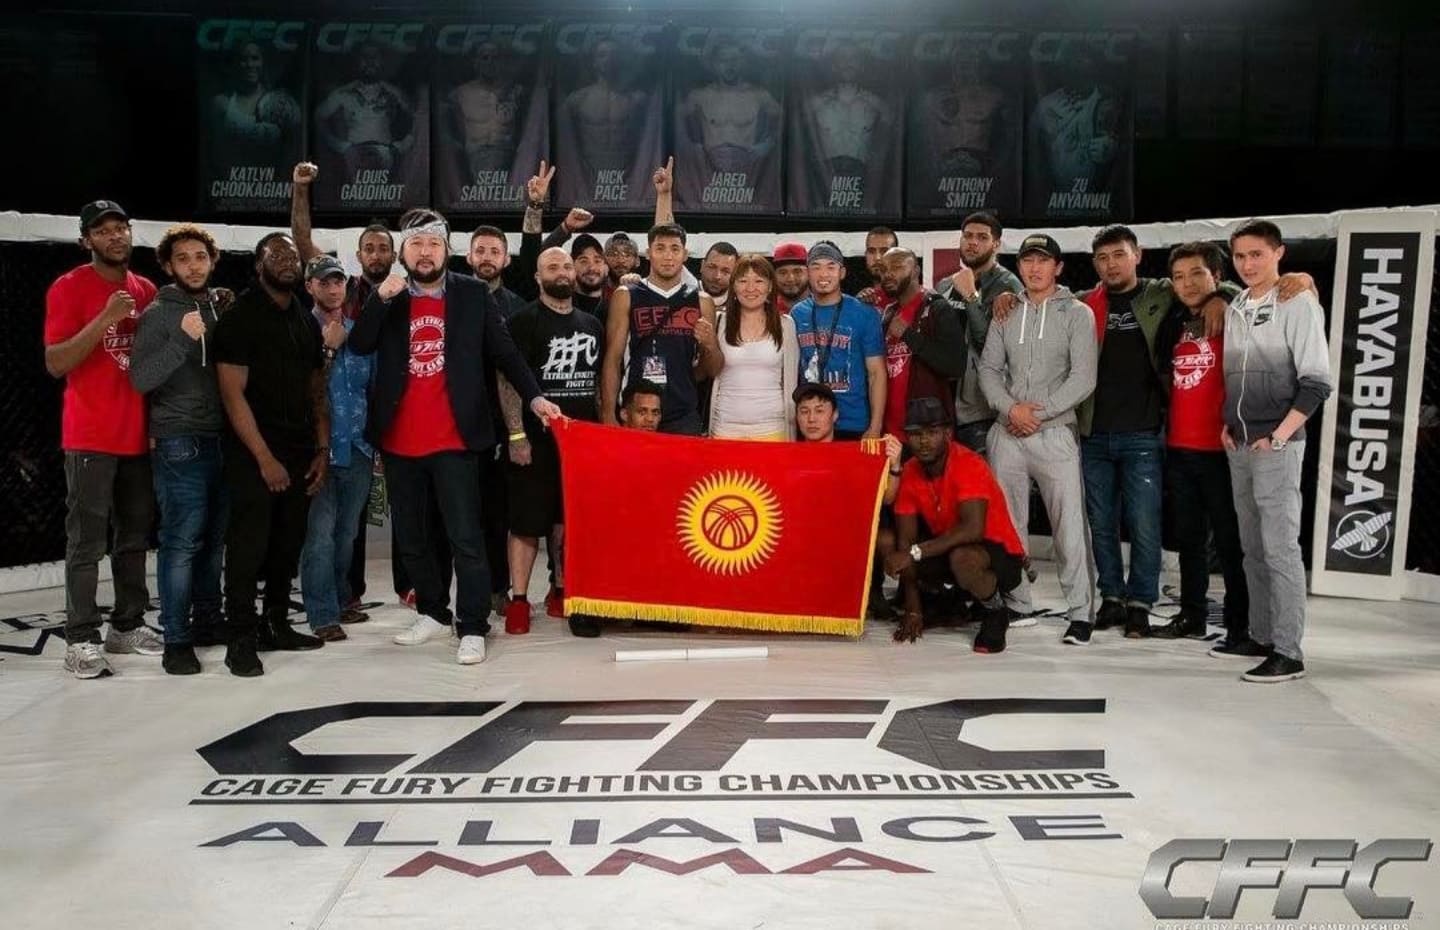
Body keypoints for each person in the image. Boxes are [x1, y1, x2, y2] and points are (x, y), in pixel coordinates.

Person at [349, 208, 562, 666]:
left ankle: (472, 625)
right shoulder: (389, 295)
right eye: (416, 244)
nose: (425, 253)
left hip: (456, 440)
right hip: (400, 441)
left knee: (466, 537)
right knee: (413, 539)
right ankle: (432, 611)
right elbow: (360, 344)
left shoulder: (471, 293)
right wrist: (379, 300)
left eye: (433, 244)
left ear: (448, 250)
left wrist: (535, 398)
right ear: (403, 252)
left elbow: (505, 353)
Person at [44, 200, 161, 679]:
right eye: (103, 230)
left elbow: (153, 364)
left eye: (121, 228)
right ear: (85, 240)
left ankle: (126, 625)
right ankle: (80, 638)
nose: (115, 236)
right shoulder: (68, 287)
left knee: (133, 540)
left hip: (137, 435)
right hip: (90, 434)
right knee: (86, 543)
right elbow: (57, 363)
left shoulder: (146, 288)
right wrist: (106, 318)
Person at [212, 232, 333, 676]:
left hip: (300, 448)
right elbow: (232, 395)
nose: (286, 261)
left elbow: (316, 389)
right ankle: (240, 638)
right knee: (248, 547)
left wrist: (322, 448)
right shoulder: (239, 317)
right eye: (275, 254)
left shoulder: (305, 319)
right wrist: (264, 457)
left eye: (291, 255)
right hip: (252, 451)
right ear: (258, 265)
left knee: (288, 542)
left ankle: (277, 623)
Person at [1221, 219, 1332, 683]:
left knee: (1281, 549)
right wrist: (1228, 424)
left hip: (1277, 446)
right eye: (1240, 256)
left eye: (1257, 255)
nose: (1248, 264)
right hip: (1240, 443)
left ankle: (1289, 651)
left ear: (1278, 253)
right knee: (1252, 548)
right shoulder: (1235, 305)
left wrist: (1280, 436)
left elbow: (1317, 382)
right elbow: (1236, 375)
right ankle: (1262, 635)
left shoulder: (1297, 301)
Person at [978, 233, 1098, 645]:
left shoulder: (1077, 313)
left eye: (1043, 260)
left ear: (1058, 267)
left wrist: (1036, 414)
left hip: (1055, 433)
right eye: (1028, 260)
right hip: (1008, 431)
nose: (1034, 268)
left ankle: (1080, 614)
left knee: (1069, 526)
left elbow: (1083, 377)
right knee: (1008, 523)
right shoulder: (1006, 310)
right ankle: (1019, 604)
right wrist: (1011, 409)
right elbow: (989, 370)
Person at [128, 223, 229, 674]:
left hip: (221, 437)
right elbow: (140, 379)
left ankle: (208, 621)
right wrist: (181, 339)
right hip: (178, 440)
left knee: (213, 540)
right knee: (182, 541)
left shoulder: (219, 306)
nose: (193, 266)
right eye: (183, 259)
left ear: (212, 262)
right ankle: (176, 639)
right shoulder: (157, 314)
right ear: (169, 266)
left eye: (200, 257)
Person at [499, 247, 606, 639]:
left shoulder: (591, 324)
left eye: (566, 266)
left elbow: (597, 385)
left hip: (579, 443)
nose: (561, 272)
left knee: (566, 520)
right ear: (538, 276)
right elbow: (507, 380)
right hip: (534, 439)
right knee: (526, 522)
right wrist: (516, 435)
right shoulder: (522, 321)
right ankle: (519, 599)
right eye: (552, 267)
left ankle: (560, 588)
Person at [1152, 241, 1247, 643]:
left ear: (1217, 276)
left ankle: (1240, 624)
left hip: (1223, 451)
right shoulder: (1173, 321)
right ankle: (1191, 615)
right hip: (1180, 448)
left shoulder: (1237, 313)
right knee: (1188, 541)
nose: (1187, 283)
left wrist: (1225, 296)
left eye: (1197, 274)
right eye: (1178, 276)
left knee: (1229, 543)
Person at [883, 397, 1027, 654]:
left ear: (947, 433)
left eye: (932, 433)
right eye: (915, 434)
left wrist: (914, 553)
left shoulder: (968, 463)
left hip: (998, 551)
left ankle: (996, 611)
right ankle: (949, 601)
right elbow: (906, 542)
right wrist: (913, 609)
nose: (924, 441)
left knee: (962, 558)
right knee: (897, 549)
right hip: (949, 546)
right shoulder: (910, 470)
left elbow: (973, 529)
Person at [297, 257, 376, 643]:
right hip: (319, 450)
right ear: (309, 286)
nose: (332, 289)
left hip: (359, 446)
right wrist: (327, 350)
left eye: (338, 282)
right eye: (324, 282)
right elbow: (303, 391)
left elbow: (373, 389)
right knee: (320, 535)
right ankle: (322, 613)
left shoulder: (361, 335)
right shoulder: (300, 331)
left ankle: (342, 598)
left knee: (346, 534)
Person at [600, 223, 722, 436]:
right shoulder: (626, 295)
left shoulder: (702, 301)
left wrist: (710, 345)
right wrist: (608, 413)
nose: (668, 256)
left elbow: (711, 371)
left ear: (685, 255)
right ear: (648, 253)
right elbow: (612, 359)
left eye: (675, 249)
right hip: (636, 412)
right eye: (660, 248)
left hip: (683, 414)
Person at [935, 212, 1022, 455]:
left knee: (982, 476)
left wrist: (971, 297)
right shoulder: (946, 285)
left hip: (983, 409)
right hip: (944, 404)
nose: (972, 242)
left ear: (996, 244)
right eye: (968, 236)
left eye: (982, 237)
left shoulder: (1009, 287)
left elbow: (991, 346)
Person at [791, 241, 886, 439]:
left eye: (830, 267)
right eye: (816, 267)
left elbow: (876, 373)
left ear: (842, 272)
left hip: (854, 422)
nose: (823, 274)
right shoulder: (797, 314)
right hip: (810, 423)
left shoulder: (865, 314)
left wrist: (876, 426)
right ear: (807, 273)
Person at [875, 247, 969, 438]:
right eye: (883, 269)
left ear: (916, 271)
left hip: (925, 433)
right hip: (889, 433)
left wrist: (909, 336)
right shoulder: (888, 314)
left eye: (897, 267)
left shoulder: (937, 308)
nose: (888, 274)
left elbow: (955, 366)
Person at [709, 254, 799, 440]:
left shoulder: (786, 325)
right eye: (743, 281)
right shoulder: (719, 322)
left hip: (772, 428)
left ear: (770, 286)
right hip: (725, 427)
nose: (750, 288)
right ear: (733, 286)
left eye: (759, 281)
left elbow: (792, 379)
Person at [677, 39, 781, 179]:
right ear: (714, 64)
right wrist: (688, 144)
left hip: (748, 169)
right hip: (709, 170)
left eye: (734, 60)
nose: (729, 65)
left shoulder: (758, 94)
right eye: (723, 60)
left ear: (743, 62)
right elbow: (674, 116)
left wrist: (767, 144)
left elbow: (785, 119)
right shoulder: (701, 95)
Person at [315, 40, 415, 179]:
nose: (370, 61)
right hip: (354, 156)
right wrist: (340, 146)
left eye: (375, 56)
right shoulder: (342, 93)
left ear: (382, 61)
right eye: (365, 56)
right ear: (357, 61)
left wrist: (402, 145)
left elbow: (418, 116)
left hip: (386, 156)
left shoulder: (395, 93)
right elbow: (318, 116)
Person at [205, 41, 300, 175]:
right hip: (230, 182)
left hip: (274, 181)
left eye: (255, 58)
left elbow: (292, 149)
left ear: (263, 62)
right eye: (243, 59)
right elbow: (213, 152)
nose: (250, 64)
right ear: (234, 63)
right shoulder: (220, 104)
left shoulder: (282, 104)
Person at [442, 40, 523, 178]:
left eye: (495, 57)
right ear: (476, 63)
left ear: (501, 62)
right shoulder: (460, 93)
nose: (490, 62)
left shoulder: (517, 91)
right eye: (485, 57)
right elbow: (445, 125)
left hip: (508, 158)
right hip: (475, 158)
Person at [856, 226, 900, 310]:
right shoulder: (854, 297)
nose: (877, 258)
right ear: (866, 255)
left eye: (884, 251)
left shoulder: (909, 296)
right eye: (871, 251)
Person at [772, 241, 811, 314]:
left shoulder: (823, 307)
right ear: (774, 275)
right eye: (783, 272)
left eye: (797, 271)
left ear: (809, 273)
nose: (790, 279)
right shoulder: (765, 310)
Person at [699, 242, 739, 309]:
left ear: (734, 275)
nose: (717, 276)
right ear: (702, 266)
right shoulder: (685, 298)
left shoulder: (740, 305)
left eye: (725, 271)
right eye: (712, 267)